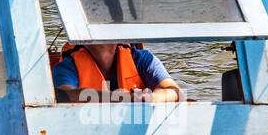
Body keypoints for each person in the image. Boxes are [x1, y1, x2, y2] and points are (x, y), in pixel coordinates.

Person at [52, 42, 182, 103]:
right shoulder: (67, 66)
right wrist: (118, 97)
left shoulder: (142, 59)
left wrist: (149, 98)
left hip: (134, 131)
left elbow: (175, 92)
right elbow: (64, 95)